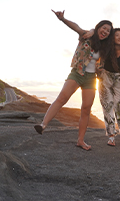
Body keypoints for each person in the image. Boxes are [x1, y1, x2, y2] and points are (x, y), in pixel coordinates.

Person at [34, 10, 113, 151]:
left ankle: (81, 141)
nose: (105, 31)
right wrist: (62, 19)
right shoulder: (86, 35)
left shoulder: (104, 47)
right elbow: (75, 27)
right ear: (99, 27)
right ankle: (43, 125)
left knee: (86, 109)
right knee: (62, 98)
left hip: (90, 79)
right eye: (104, 28)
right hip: (77, 73)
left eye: (108, 31)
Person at [94, 28, 120, 146]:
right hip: (105, 77)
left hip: (119, 78)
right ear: (112, 37)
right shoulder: (106, 48)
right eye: (117, 35)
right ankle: (111, 136)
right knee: (107, 105)